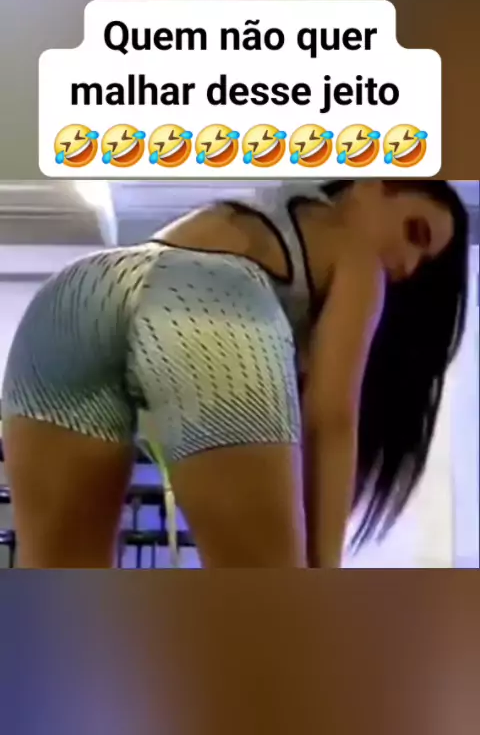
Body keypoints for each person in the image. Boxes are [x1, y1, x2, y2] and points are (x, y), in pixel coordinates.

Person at [1, 179, 468, 568]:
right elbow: (330, 420)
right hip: (207, 299)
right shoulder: (356, 256)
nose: (408, 265)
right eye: (416, 233)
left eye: (422, 266)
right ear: (373, 184)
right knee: (273, 610)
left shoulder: (255, 206)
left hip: (78, 292)